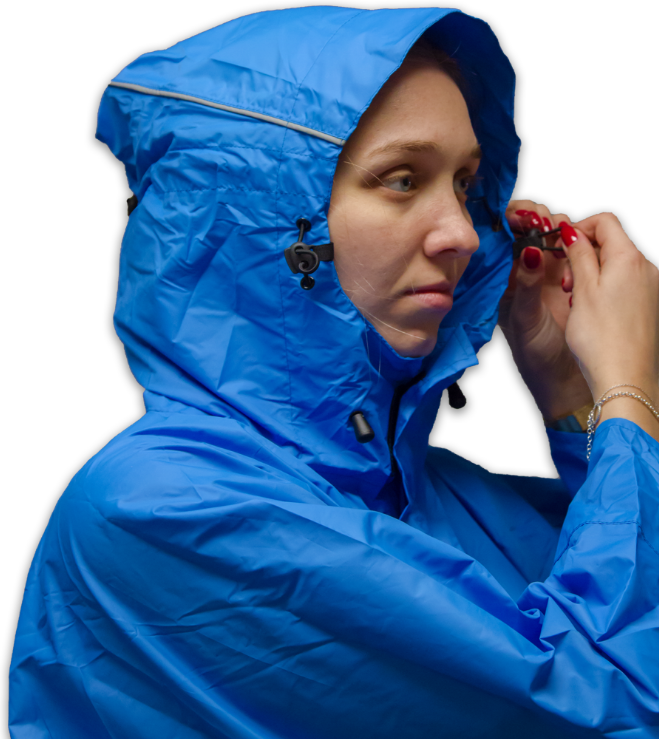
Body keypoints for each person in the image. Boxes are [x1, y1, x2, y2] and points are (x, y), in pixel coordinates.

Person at [8, 5, 659, 737]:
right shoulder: (160, 509)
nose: (463, 234)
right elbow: (608, 704)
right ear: (263, 216)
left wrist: (570, 393)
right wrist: (630, 392)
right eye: (403, 180)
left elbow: (608, 605)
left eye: (464, 184)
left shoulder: (430, 494)